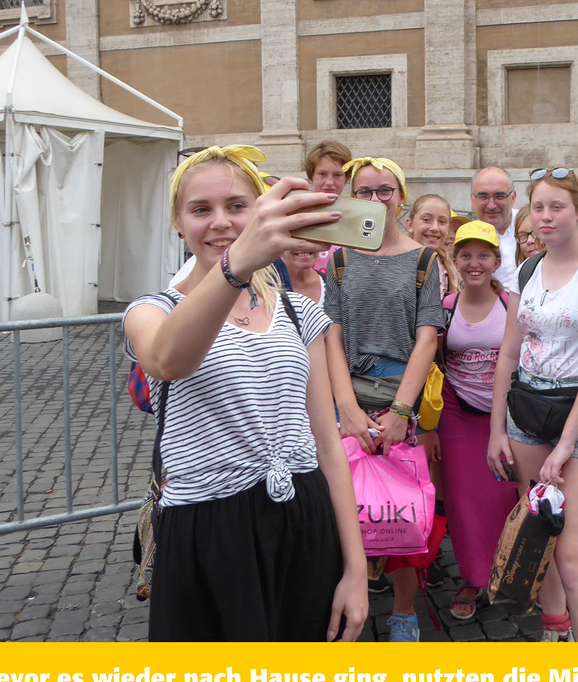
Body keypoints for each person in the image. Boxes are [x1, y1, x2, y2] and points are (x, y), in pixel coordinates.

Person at [123, 145, 368, 641]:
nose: (220, 222)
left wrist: (356, 570)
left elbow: (327, 445)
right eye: (201, 209)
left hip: (304, 518)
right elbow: (170, 361)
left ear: (259, 213)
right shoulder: (151, 311)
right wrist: (235, 268)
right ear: (178, 223)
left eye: (237, 206)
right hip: (209, 530)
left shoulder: (298, 311)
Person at [488, 166, 578, 643]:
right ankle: (555, 627)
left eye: (557, 207)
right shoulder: (526, 270)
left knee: (573, 557)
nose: (545, 217)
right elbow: (509, 353)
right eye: (538, 207)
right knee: (539, 534)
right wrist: (496, 429)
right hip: (528, 411)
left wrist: (566, 444)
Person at [324, 156, 443, 642]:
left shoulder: (423, 260)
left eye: (385, 190)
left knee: (399, 506)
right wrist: (347, 409)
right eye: (365, 191)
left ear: (401, 197)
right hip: (348, 398)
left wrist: (400, 412)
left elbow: (427, 339)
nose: (375, 200)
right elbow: (331, 334)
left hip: (399, 399)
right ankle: (342, 601)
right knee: (344, 507)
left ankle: (404, 612)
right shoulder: (339, 259)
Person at [437, 220, 517, 620]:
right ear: (455, 261)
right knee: (464, 501)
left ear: (496, 262)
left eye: (483, 255)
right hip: (458, 413)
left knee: (507, 496)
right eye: (466, 255)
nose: (474, 263)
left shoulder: (511, 305)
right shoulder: (446, 307)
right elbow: (436, 359)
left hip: (507, 415)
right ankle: (472, 577)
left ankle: (512, 573)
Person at [306, 140, 353, 275]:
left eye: (337, 175)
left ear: (346, 179)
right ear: (311, 177)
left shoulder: (354, 217)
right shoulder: (297, 213)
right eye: (322, 174)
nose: (329, 182)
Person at [470, 167, 518, 289]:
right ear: (472, 199)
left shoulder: (532, 226)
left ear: (513, 198)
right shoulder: (467, 238)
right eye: (483, 197)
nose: (491, 205)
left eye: (499, 196)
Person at [405, 193, 458, 296]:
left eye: (442, 221)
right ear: (410, 225)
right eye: (426, 220)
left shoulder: (449, 269)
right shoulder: (398, 263)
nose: (435, 228)